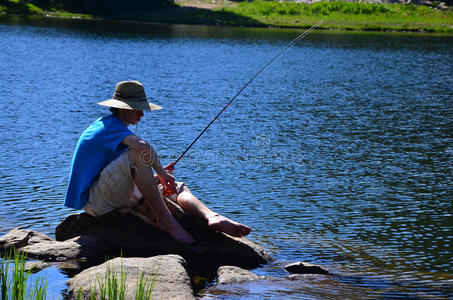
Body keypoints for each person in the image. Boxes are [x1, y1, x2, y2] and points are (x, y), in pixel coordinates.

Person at [64, 80, 251, 243]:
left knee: (173, 186)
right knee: (139, 155)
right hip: (97, 203)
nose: (142, 115)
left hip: (110, 196)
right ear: (124, 108)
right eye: (139, 108)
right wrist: (161, 172)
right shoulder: (107, 126)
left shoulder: (116, 129)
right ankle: (166, 220)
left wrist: (156, 177)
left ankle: (212, 216)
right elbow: (144, 149)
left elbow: (117, 172)